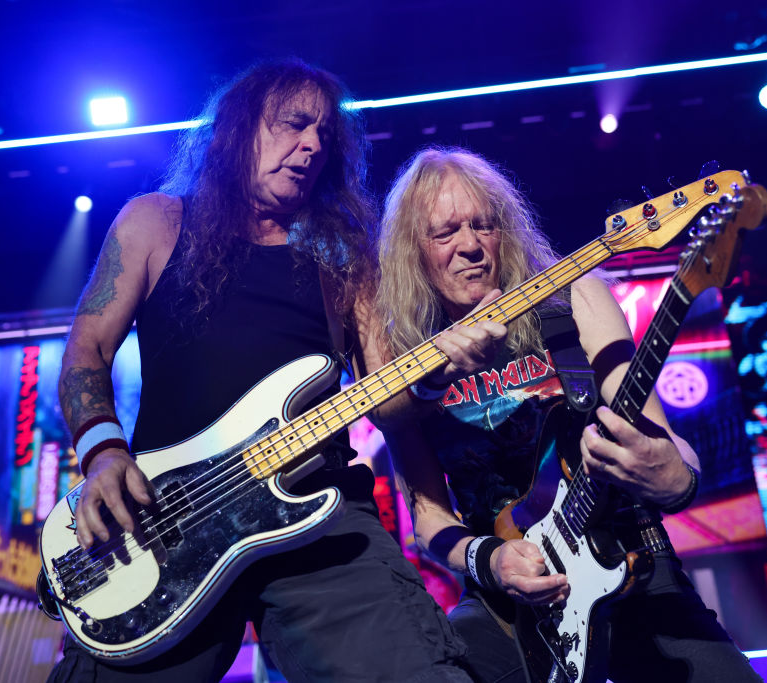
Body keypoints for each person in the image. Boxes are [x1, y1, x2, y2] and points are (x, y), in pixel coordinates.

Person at [47, 60, 472, 682]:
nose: (312, 146)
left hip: (320, 517)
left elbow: (389, 401)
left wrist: (435, 373)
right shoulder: (156, 222)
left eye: (325, 135)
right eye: (295, 125)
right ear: (236, 131)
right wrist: (104, 454)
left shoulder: (347, 252)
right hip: (171, 521)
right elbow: (86, 350)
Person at [372, 147, 762, 682]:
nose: (470, 247)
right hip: (507, 603)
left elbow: (665, 440)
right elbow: (429, 521)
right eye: (445, 234)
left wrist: (678, 478)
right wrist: (492, 562)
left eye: (483, 226)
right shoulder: (408, 364)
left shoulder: (574, 300)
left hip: (632, 566)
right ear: (413, 253)